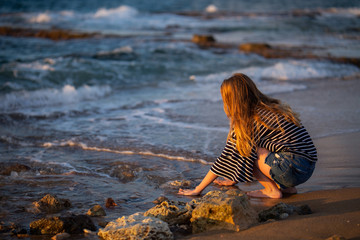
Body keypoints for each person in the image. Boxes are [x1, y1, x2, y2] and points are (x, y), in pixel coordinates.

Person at [178, 73, 317, 199]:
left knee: (247, 149)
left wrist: (198, 189)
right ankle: (288, 187)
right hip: (306, 168)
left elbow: (227, 156)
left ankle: (271, 190)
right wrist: (232, 179)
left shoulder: (251, 120)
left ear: (231, 99)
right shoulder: (270, 109)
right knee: (254, 146)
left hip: (290, 169)